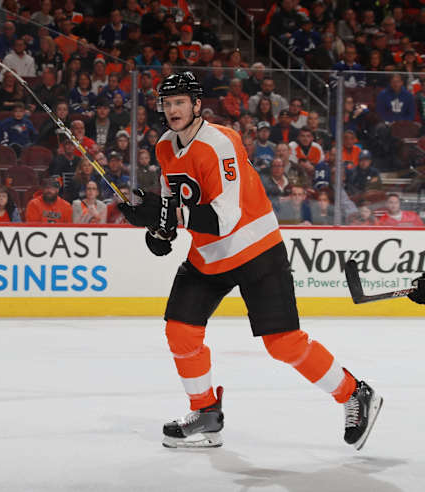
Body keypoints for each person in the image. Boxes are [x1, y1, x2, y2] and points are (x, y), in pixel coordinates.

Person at [117, 71, 383, 450]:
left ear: (196, 105)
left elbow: (224, 219)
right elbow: (173, 207)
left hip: (255, 247)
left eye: (180, 101)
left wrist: (166, 217)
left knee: (284, 344)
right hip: (208, 255)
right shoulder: (163, 147)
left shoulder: (221, 143)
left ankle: (353, 393)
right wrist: (158, 229)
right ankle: (206, 412)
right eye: (168, 103)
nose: (173, 109)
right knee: (180, 331)